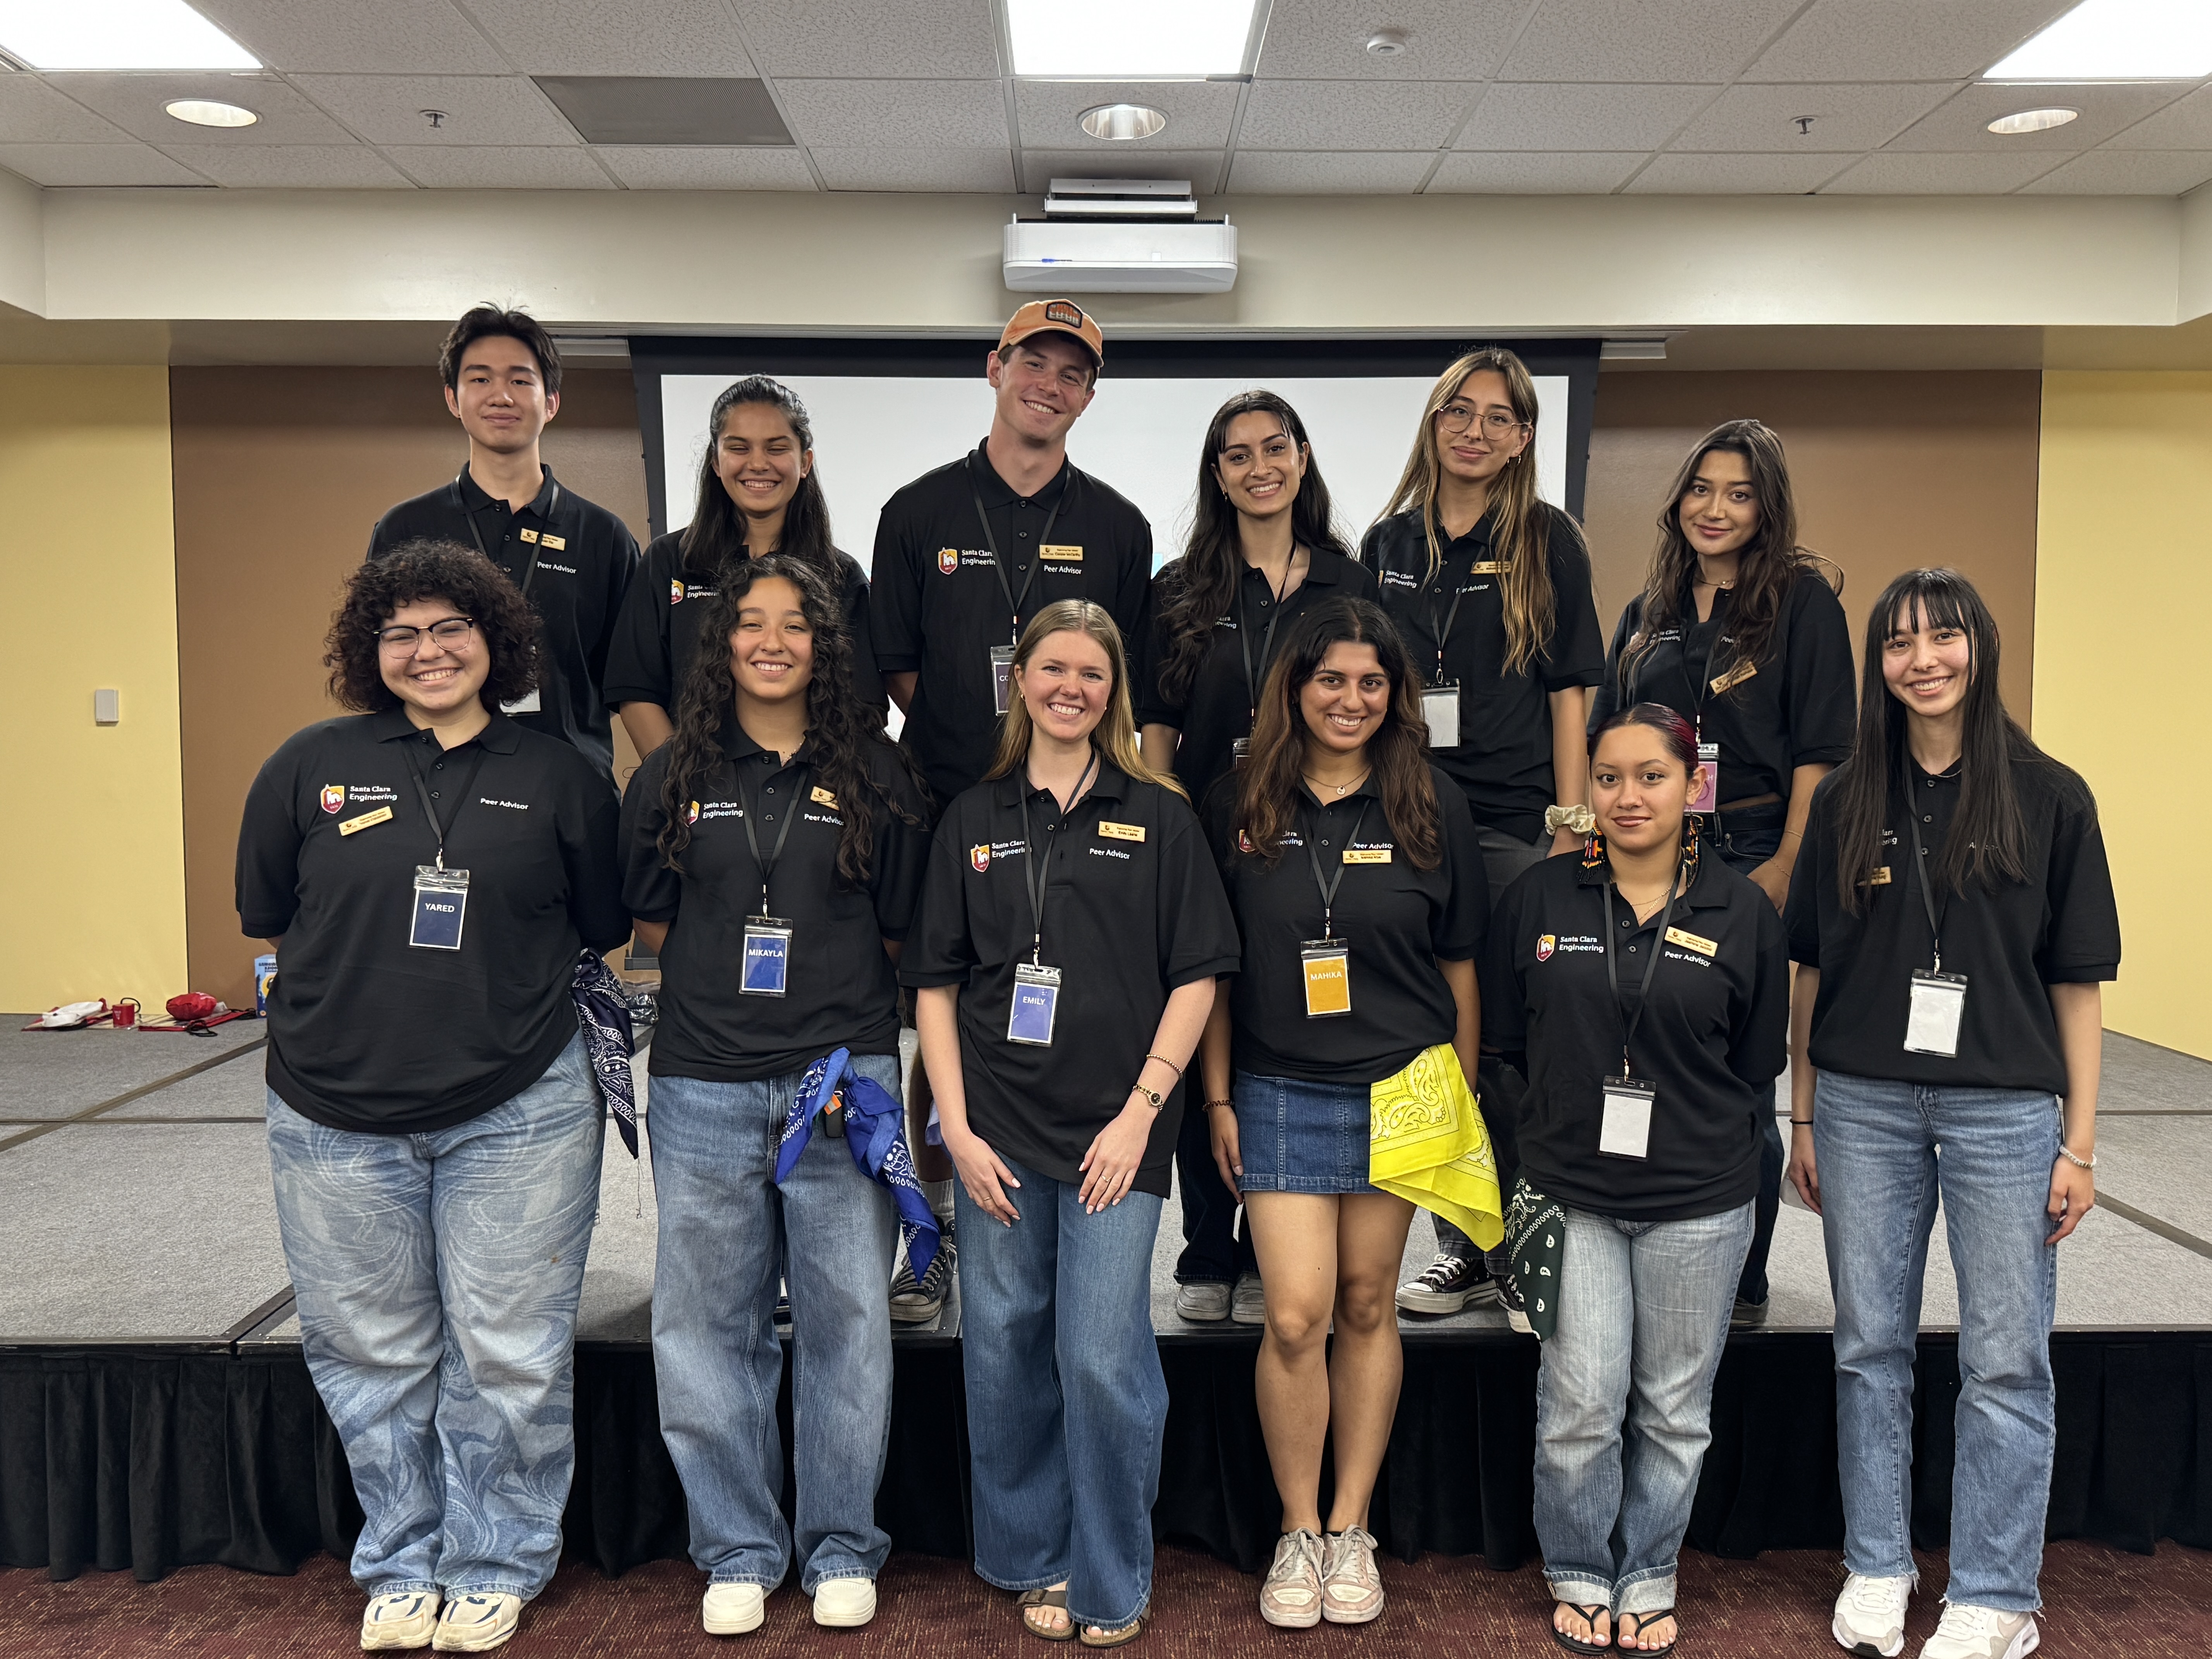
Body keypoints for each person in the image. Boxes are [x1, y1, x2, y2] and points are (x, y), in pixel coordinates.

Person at [236, 541, 629, 1656]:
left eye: (450, 628)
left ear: (495, 642)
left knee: (508, 1349)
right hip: (330, 1109)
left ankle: (497, 1558)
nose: (427, 650)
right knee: (369, 1350)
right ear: (371, 650)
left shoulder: (559, 773)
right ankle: (402, 1558)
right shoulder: (308, 764)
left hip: (521, 1104)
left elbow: (599, 923)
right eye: (401, 632)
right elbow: (266, 909)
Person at [1785, 569, 2118, 1659]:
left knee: (2007, 1356)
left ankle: (1993, 1591)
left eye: (1944, 636)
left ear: (1982, 647)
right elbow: (1808, 970)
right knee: (1868, 1344)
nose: (1922, 659)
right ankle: (1878, 1564)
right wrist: (1803, 1113)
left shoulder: (2051, 793)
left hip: (2008, 1114)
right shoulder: (1844, 799)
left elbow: (2077, 981)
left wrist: (2081, 1140)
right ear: (1877, 662)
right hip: (1864, 1105)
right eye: (1899, 642)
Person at [900, 599, 1238, 1647]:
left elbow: (1200, 975)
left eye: (1092, 673)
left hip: (1113, 1135)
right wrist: (952, 1127)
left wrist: (1144, 1113)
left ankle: (1109, 1568)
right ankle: (1024, 1552)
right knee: (1002, 1343)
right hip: (998, 1126)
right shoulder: (975, 814)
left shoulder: (1161, 811)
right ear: (1021, 680)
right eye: (1054, 667)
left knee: (1100, 1352)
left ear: (1113, 689)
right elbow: (937, 985)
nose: (1071, 687)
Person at [619, 555, 933, 1637]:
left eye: (794, 624)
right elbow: (651, 921)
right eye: (747, 622)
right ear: (723, 643)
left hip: (841, 1078)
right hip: (703, 1078)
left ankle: (843, 1542)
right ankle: (740, 1548)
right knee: (709, 1322)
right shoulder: (669, 772)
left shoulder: (881, 775)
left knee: (850, 1318)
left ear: (824, 643)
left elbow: (901, 927)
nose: (769, 639)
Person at [1199, 598, 1496, 1628]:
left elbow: (1460, 962)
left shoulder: (1431, 799)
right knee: (1295, 1312)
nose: (1352, 699)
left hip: (1405, 1086)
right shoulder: (1238, 799)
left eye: (1373, 683)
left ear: (1396, 695)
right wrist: (1220, 1095)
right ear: (1295, 684)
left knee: (1369, 1303)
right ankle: (1295, 1526)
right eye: (1332, 679)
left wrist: (1453, 1095)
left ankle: (1350, 1524)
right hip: (1279, 1086)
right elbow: (1217, 969)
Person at [870, 299, 1155, 1322]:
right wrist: (995, 760)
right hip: (951, 802)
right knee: (936, 1020)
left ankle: (1070, 1199)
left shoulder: (1119, 525)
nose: (1050, 384)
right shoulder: (918, 511)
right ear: (995, 368)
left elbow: (1123, 679)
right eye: (1033, 362)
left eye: (1072, 372)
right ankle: (933, 1225)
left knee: (1062, 1006)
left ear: (1089, 394)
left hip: (1076, 805)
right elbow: (896, 664)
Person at [1485, 702, 1788, 1657]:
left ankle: (1649, 1569)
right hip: (1573, 1190)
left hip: (1699, 1199)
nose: (1626, 797)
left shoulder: (1742, 910)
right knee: (1579, 1401)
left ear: (1692, 788)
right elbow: (1504, 1042)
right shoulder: (1539, 897)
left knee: (1671, 1409)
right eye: (1608, 777)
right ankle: (1578, 1566)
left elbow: (1755, 1061)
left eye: (1650, 776)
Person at [1591, 418, 1855, 1329]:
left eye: (1739, 494)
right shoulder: (1647, 612)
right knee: (1650, 1050)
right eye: (1702, 489)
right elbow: (1612, 744)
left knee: (1743, 1073)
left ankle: (1739, 1276)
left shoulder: (1803, 603)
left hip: (1753, 853)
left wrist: (1785, 866)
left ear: (1766, 506)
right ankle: (1652, 1235)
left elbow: (1825, 754)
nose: (1716, 508)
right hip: (1647, 856)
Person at [1364, 347, 1606, 1324]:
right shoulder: (1386, 542)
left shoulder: (1550, 540)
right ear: (1434, 421)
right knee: (1426, 1048)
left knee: (1507, 1053)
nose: (1475, 430)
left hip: (1512, 826)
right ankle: (1460, 1249)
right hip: (1403, 819)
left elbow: (1570, 694)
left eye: (1498, 417)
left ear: (1524, 438)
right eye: (1459, 412)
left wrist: (1570, 823)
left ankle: (1520, 1247)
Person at [1136, 390, 1378, 1328]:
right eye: (1236, 455)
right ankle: (1208, 1245)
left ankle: (1277, 1238)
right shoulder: (1182, 588)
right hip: (1207, 840)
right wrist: (1165, 827)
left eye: (1274, 448)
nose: (1258, 467)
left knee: (1286, 1029)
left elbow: (1375, 709)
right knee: (1207, 1034)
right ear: (1218, 474)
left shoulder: (1351, 586)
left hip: (1319, 846)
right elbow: (1157, 726)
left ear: (1303, 457)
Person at [368, 304, 639, 780]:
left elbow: (628, 680)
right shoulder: (406, 528)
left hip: (570, 781)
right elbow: (385, 660)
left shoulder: (603, 535)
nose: (500, 396)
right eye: (480, 380)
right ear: (453, 399)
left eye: (520, 380)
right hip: (435, 778)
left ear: (551, 401)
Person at [603, 375, 883, 759]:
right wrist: (682, 788)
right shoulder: (670, 561)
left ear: (805, 462)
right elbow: (636, 692)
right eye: (739, 448)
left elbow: (861, 703)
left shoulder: (841, 576)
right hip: (693, 793)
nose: (758, 464)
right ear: (717, 462)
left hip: (809, 795)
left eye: (776, 448)